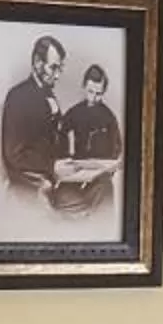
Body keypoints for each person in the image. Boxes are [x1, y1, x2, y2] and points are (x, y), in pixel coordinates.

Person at [49, 63, 123, 219]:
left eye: (98, 93)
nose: (94, 98)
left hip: (100, 178)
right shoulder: (75, 112)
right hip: (76, 173)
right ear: (84, 87)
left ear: (103, 92)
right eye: (90, 91)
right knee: (60, 200)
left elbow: (117, 148)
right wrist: (66, 158)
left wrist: (109, 167)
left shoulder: (109, 117)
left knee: (104, 201)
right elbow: (59, 134)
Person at [0, 35, 65, 198]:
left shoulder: (49, 95)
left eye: (60, 69)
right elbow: (14, 155)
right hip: (29, 184)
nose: (57, 76)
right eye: (53, 68)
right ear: (37, 63)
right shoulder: (18, 96)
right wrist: (52, 166)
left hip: (52, 177)